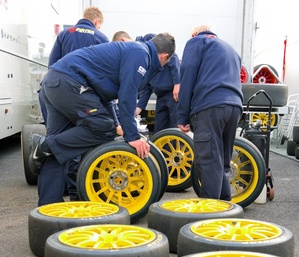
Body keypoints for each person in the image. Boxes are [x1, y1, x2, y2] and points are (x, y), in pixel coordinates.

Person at [29, 33, 176, 206]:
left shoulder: (133, 51)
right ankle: (45, 144)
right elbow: (127, 95)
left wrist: (118, 124)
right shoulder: (141, 54)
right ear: (164, 56)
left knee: (57, 150)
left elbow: (105, 97)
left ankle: (48, 206)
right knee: (103, 129)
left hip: (55, 82)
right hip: (71, 84)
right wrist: (132, 136)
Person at [39, 6, 120, 201]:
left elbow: (52, 65)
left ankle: (48, 204)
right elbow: (102, 81)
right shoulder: (100, 37)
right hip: (83, 96)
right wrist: (116, 121)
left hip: (55, 89)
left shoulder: (65, 34)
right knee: (87, 140)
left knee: (56, 146)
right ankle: (79, 194)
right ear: (97, 22)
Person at [177, 25, 243, 201]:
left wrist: (182, 116)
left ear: (194, 34)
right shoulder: (230, 49)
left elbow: (187, 75)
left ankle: (209, 214)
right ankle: (224, 210)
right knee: (222, 163)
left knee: (208, 162)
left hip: (210, 107)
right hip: (235, 106)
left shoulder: (197, 42)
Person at [112, 31, 180, 133]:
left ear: (122, 40)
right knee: (159, 129)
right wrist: (138, 108)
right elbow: (147, 86)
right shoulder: (140, 60)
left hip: (173, 94)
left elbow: (172, 56)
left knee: (174, 128)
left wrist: (177, 84)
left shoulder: (148, 40)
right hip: (160, 95)